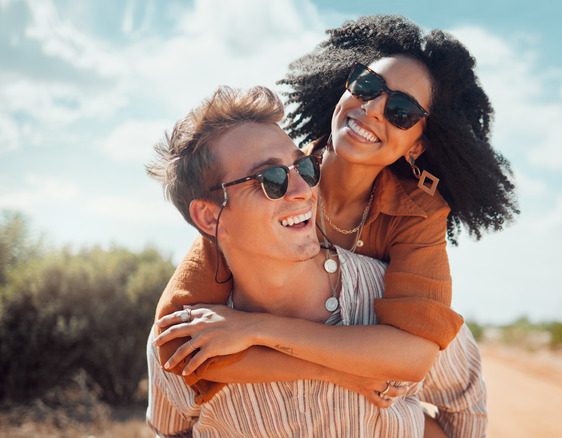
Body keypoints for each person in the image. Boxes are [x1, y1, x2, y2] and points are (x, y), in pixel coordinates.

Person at [153, 13, 516, 394]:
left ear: (417, 146)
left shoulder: (419, 211)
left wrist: (256, 329)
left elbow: (413, 356)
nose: (372, 108)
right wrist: (338, 373)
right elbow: (174, 343)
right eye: (367, 85)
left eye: (401, 112)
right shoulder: (270, 183)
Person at [146, 85, 486, 437]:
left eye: (304, 168)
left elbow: (466, 407)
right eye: (271, 179)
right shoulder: (187, 333)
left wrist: (255, 329)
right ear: (209, 218)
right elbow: (170, 432)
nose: (303, 191)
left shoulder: (394, 302)